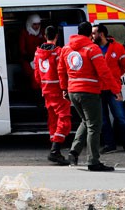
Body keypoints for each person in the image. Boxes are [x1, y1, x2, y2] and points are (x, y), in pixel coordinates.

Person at [57, 21, 119, 172]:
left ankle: (74, 152)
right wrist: (115, 89)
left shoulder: (66, 49)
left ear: (77, 32)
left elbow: (61, 70)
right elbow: (103, 72)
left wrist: (64, 89)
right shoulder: (92, 48)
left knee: (86, 122)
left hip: (73, 92)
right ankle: (93, 161)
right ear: (90, 34)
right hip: (89, 92)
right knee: (94, 126)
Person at [93, 24, 125, 153]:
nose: (92, 36)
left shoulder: (117, 48)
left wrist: (114, 77)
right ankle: (110, 144)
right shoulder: (92, 49)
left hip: (113, 88)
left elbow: (124, 66)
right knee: (103, 119)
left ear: (102, 34)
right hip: (98, 89)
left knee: (120, 117)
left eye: (94, 33)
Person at [33, 25, 72, 165]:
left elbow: (37, 75)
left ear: (45, 36)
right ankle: (55, 150)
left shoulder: (37, 53)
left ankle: (55, 148)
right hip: (58, 90)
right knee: (64, 119)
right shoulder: (59, 52)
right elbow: (62, 72)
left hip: (46, 90)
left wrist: (43, 86)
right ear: (56, 36)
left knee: (53, 120)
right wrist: (65, 88)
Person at [19, 14, 45, 88]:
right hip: (27, 59)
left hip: (40, 58)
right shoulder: (24, 33)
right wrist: (31, 59)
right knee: (33, 75)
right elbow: (22, 49)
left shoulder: (42, 32)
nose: (37, 26)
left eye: (38, 24)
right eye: (34, 24)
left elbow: (45, 45)